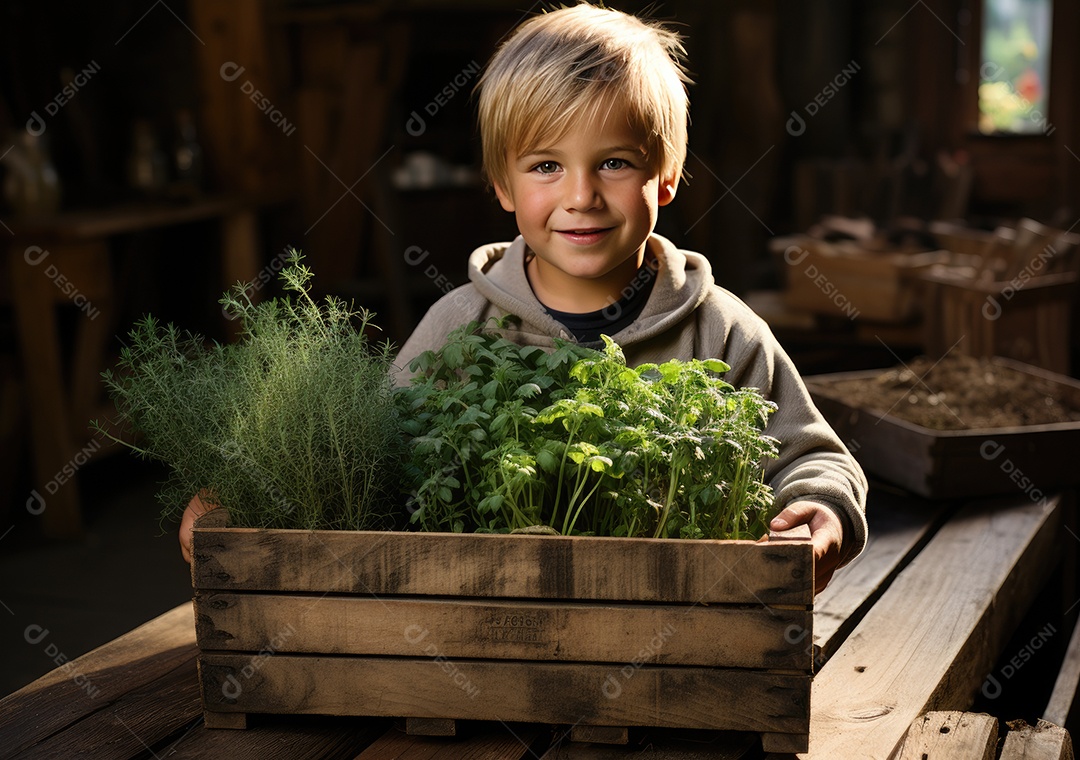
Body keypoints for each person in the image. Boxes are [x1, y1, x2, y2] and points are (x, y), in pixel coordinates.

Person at [181, 2, 866, 593]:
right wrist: (239, 494)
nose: (581, 196)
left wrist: (820, 512)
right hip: (486, 632)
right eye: (546, 166)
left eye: (615, 162)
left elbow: (814, 458)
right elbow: (367, 455)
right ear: (503, 188)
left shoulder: (720, 328)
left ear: (666, 178)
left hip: (681, 634)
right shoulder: (459, 324)